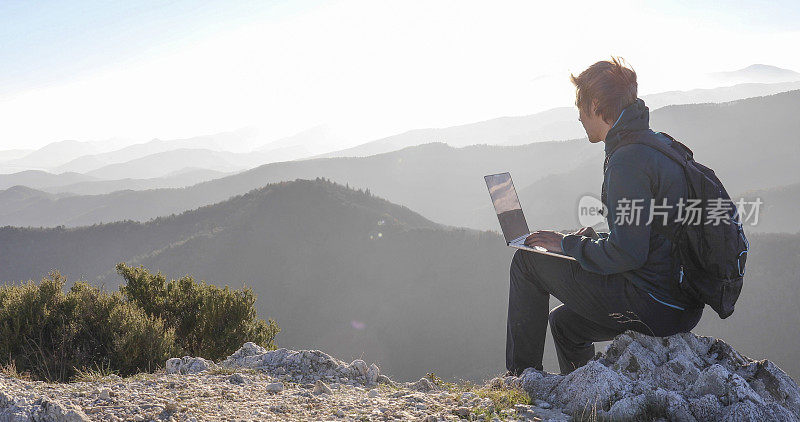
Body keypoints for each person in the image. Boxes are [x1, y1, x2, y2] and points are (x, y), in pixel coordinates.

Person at [506, 57, 704, 376]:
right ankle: (583, 395)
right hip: (679, 303)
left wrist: (568, 245)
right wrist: (593, 241)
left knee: (528, 262)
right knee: (564, 324)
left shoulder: (627, 161)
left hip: (654, 305)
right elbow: (648, 234)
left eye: (580, 108)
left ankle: (520, 381)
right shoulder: (654, 144)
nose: (579, 118)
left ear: (596, 105)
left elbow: (628, 252)